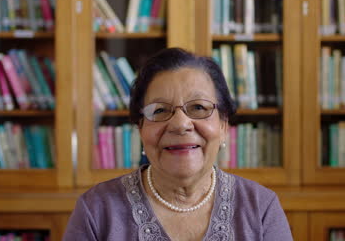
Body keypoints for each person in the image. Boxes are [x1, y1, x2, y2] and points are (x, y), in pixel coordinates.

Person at [62, 48, 293, 241]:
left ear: (223, 125)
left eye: (199, 108)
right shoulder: (96, 211)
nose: (181, 124)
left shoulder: (261, 208)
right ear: (140, 128)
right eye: (160, 110)